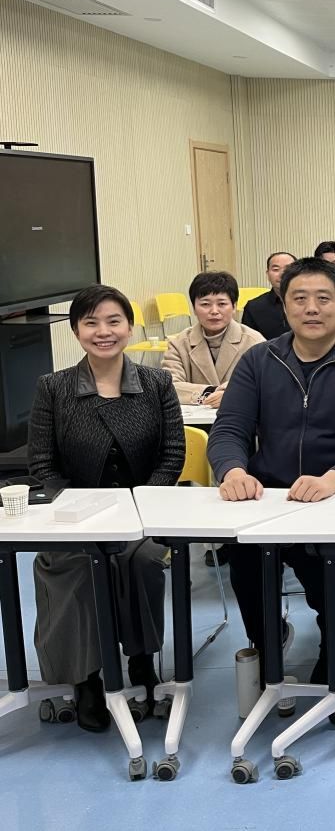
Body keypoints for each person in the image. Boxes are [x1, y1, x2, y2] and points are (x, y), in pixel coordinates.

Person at [209, 258, 335, 684]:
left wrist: (334, 479)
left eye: (323, 298)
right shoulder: (259, 360)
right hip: (271, 495)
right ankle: (268, 636)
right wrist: (233, 471)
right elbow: (229, 428)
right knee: (244, 558)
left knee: (319, 559)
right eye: (299, 298)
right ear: (284, 305)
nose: (311, 308)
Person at [27, 285, 184, 731]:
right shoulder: (54, 387)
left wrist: (141, 506)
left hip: (143, 514)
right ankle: (87, 679)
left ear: (129, 328)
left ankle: (141, 661)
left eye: (114, 321)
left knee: (143, 561)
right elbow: (42, 464)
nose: (103, 331)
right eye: (91, 322)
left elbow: (172, 454)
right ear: (76, 331)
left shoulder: (157, 383)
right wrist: (79, 508)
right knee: (75, 566)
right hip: (76, 517)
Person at [161, 271, 264, 405]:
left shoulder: (254, 341)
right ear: (194, 308)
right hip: (195, 416)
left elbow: (265, 383)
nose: (214, 311)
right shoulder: (179, 343)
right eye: (205, 304)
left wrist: (234, 394)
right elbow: (169, 386)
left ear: (234, 307)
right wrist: (211, 392)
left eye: (222, 304)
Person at [241, 251, 296, 340]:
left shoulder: (311, 302)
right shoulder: (254, 307)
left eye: (288, 269)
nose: (282, 274)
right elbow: (249, 341)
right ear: (267, 274)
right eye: (276, 269)